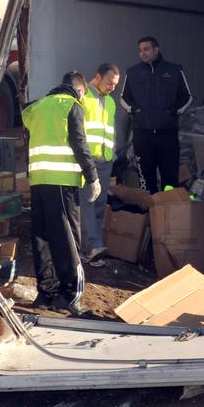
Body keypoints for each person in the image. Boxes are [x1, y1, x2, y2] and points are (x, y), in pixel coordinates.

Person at [22, 71, 99, 315]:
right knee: (68, 239)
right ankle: (70, 295)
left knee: (42, 237)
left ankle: (46, 293)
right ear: (80, 90)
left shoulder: (37, 107)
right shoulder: (72, 106)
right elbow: (79, 143)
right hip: (62, 183)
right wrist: (93, 176)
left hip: (38, 181)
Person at [118, 36, 192, 193]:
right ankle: (149, 213)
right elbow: (124, 98)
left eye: (146, 49)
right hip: (142, 134)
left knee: (170, 177)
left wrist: (173, 111)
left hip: (167, 134)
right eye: (140, 50)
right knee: (145, 177)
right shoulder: (132, 73)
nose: (142, 53)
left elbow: (187, 97)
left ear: (156, 49)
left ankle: (169, 212)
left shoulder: (174, 70)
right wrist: (134, 111)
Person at [80, 63, 120, 265]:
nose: (112, 88)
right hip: (89, 160)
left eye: (115, 85)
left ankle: (93, 248)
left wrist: (112, 155)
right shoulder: (83, 97)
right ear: (97, 77)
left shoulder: (110, 102)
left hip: (105, 160)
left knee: (98, 204)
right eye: (109, 83)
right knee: (87, 203)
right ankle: (91, 247)